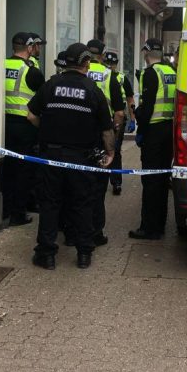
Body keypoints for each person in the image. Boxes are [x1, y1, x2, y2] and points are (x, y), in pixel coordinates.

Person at [27, 43, 115, 269]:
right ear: (86, 63)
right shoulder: (93, 90)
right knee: (82, 204)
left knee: (50, 205)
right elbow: (107, 129)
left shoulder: (51, 85)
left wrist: (46, 130)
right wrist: (110, 153)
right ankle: (84, 253)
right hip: (81, 159)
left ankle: (46, 254)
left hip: (51, 156)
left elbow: (31, 116)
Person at [129, 39, 176, 240]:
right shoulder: (172, 72)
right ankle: (160, 224)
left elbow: (147, 108)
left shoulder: (150, 73)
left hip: (154, 132)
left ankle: (149, 228)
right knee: (162, 179)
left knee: (150, 180)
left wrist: (137, 118)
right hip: (169, 130)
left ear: (147, 53)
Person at [2, 32, 45, 226]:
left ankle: (4, 209)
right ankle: (18, 214)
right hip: (24, 127)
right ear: (29, 48)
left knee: (7, 169)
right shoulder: (31, 71)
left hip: (0, 124)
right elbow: (43, 100)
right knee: (22, 172)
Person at [85, 39, 125, 245]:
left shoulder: (76, 71)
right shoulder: (109, 75)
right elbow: (119, 112)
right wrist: (114, 131)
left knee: (76, 184)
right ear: (101, 54)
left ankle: (73, 230)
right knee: (98, 186)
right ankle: (95, 233)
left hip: (76, 134)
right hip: (101, 134)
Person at [103, 50, 136, 195]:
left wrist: (133, 119)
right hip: (104, 119)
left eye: (112, 63)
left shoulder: (122, 78)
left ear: (116, 64)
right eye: (108, 63)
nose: (110, 66)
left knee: (115, 150)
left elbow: (130, 100)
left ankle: (116, 182)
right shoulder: (103, 76)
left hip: (117, 120)